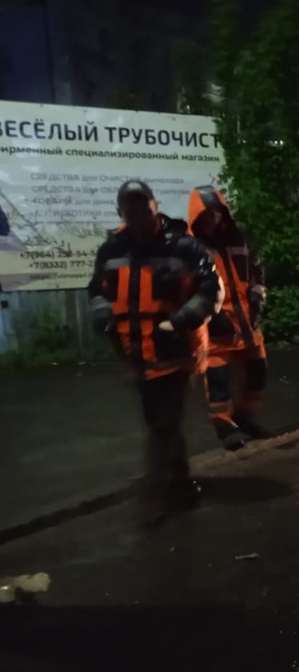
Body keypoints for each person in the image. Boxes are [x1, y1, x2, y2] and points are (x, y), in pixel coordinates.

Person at [88, 180, 221, 526]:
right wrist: (101, 312)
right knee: (162, 423)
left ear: (155, 205)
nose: (137, 215)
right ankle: (182, 487)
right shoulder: (111, 250)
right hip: (136, 354)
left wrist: (179, 321)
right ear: (121, 212)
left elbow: (211, 290)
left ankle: (155, 498)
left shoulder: (184, 247)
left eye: (143, 207)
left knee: (163, 425)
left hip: (176, 352)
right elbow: (97, 288)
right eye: (129, 209)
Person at [188, 186, 270, 450]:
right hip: (216, 326)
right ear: (196, 215)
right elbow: (186, 286)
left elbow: (257, 270)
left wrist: (258, 295)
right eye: (207, 212)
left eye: (217, 210)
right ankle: (223, 424)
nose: (213, 216)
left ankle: (244, 417)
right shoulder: (191, 247)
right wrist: (209, 314)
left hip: (247, 321)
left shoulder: (239, 238)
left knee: (258, 371)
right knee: (218, 380)